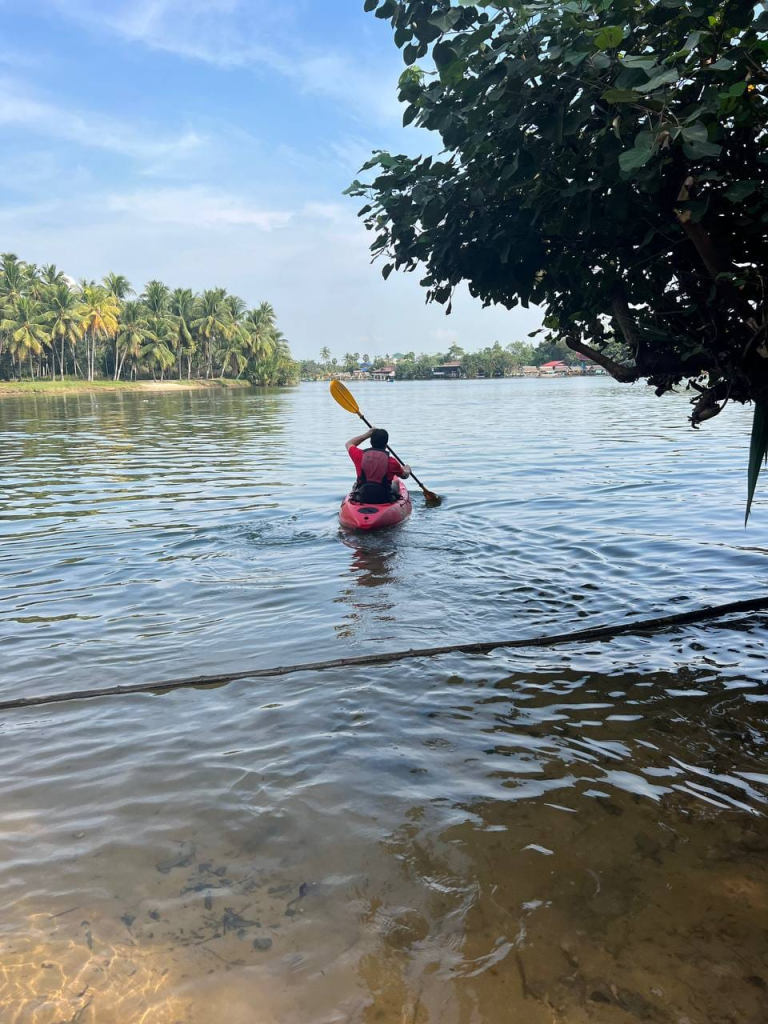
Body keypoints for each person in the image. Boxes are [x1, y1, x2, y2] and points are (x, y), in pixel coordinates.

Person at [346, 427, 411, 503]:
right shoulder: (392, 462)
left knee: (356, 484)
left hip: (362, 496)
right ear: (386, 444)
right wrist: (407, 469)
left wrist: (367, 435)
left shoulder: (359, 455)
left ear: (370, 442)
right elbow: (404, 475)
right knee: (396, 482)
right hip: (384, 499)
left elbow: (349, 443)